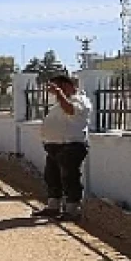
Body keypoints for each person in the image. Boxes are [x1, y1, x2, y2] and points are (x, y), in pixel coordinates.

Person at [34, 74, 93, 220]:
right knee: (52, 176)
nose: (53, 91)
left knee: (69, 177)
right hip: (55, 147)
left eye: (56, 86)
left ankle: (73, 210)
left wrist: (59, 94)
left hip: (71, 146)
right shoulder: (59, 103)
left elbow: (71, 110)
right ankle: (53, 206)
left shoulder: (80, 100)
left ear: (67, 85)